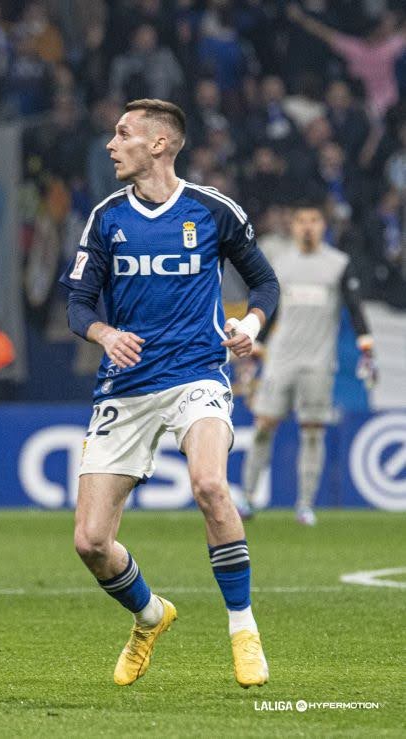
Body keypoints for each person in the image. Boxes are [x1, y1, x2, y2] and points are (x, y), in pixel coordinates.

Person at [60, 98, 279, 689]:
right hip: (125, 388)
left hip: (196, 373)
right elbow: (79, 302)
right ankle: (150, 616)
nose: (111, 144)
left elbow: (263, 280)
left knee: (210, 483)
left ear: (159, 144)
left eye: (123, 133)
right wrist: (105, 333)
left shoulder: (213, 210)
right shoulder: (106, 217)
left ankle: (243, 628)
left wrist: (249, 327)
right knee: (91, 542)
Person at [240, 200, 375, 526]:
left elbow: (355, 309)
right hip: (281, 360)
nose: (308, 226)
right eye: (302, 220)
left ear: (323, 226)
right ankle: (246, 500)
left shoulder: (338, 264)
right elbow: (269, 309)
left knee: (312, 433)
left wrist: (366, 349)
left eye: (314, 220)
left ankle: (304, 504)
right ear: (294, 225)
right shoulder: (281, 263)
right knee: (262, 429)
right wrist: (255, 347)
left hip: (318, 363)